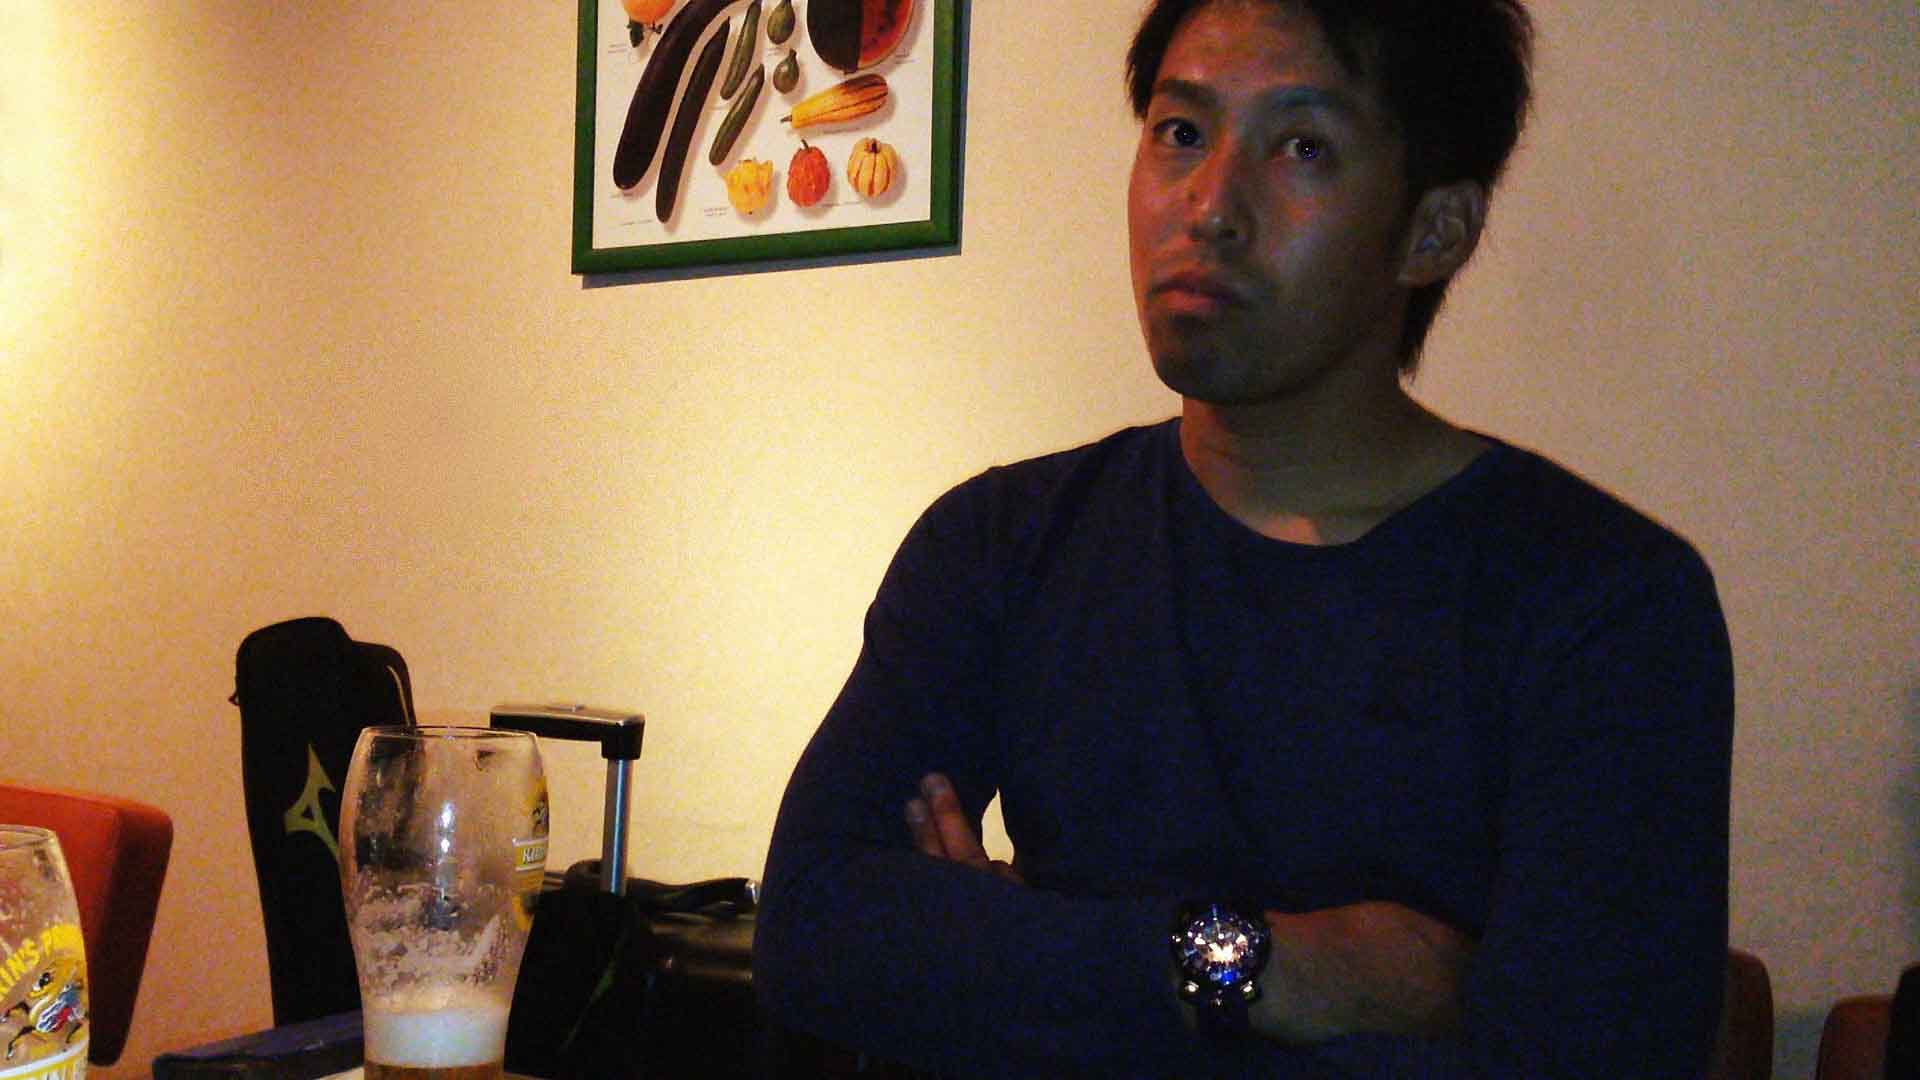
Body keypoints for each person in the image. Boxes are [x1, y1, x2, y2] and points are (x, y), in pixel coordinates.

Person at [754, 0, 1734, 1075]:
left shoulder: (1603, 603)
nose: (1211, 206)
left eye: (1303, 147)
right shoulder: (1001, 544)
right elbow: (813, 932)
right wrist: (1277, 969)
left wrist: (1020, 959)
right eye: (1181, 132)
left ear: (1435, 230)